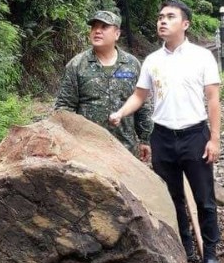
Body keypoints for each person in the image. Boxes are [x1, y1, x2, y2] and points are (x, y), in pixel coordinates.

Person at [109, 0, 222, 263]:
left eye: (170, 17)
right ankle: (184, 248)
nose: (162, 21)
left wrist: (215, 139)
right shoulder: (152, 60)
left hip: (195, 135)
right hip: (162, 137)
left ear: (185, 24)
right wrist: (121, 112)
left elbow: (213, 99)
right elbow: (140, 95)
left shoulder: (202, 57)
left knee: (204, 198)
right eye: (160, 17)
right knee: (171, 198)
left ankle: (210, 253)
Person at [55, 10, 153, 161]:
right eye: (94, 27)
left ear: (117, 34)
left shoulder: (132, 64)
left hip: (125, 148)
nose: (97, 31)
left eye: (104, 27)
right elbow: (64, 107)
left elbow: (143, 102)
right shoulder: (77, 65)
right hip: (88, 149)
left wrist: (145, 139)